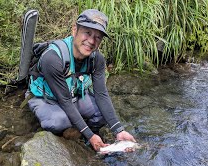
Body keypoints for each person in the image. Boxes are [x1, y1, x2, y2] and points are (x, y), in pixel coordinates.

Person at [26, 9, 136, 151]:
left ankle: (83, 135)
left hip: (72, 96)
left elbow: (102, 95)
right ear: (74, 30)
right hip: (47, 98)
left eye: (97, 37)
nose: (91, 41)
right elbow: (64, 100)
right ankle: (69, 135)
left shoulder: (97, 59)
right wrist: (90, 135)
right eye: (87, 33)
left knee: (102, 113)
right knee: (58, 122)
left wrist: (119, 130)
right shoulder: (52, 58)